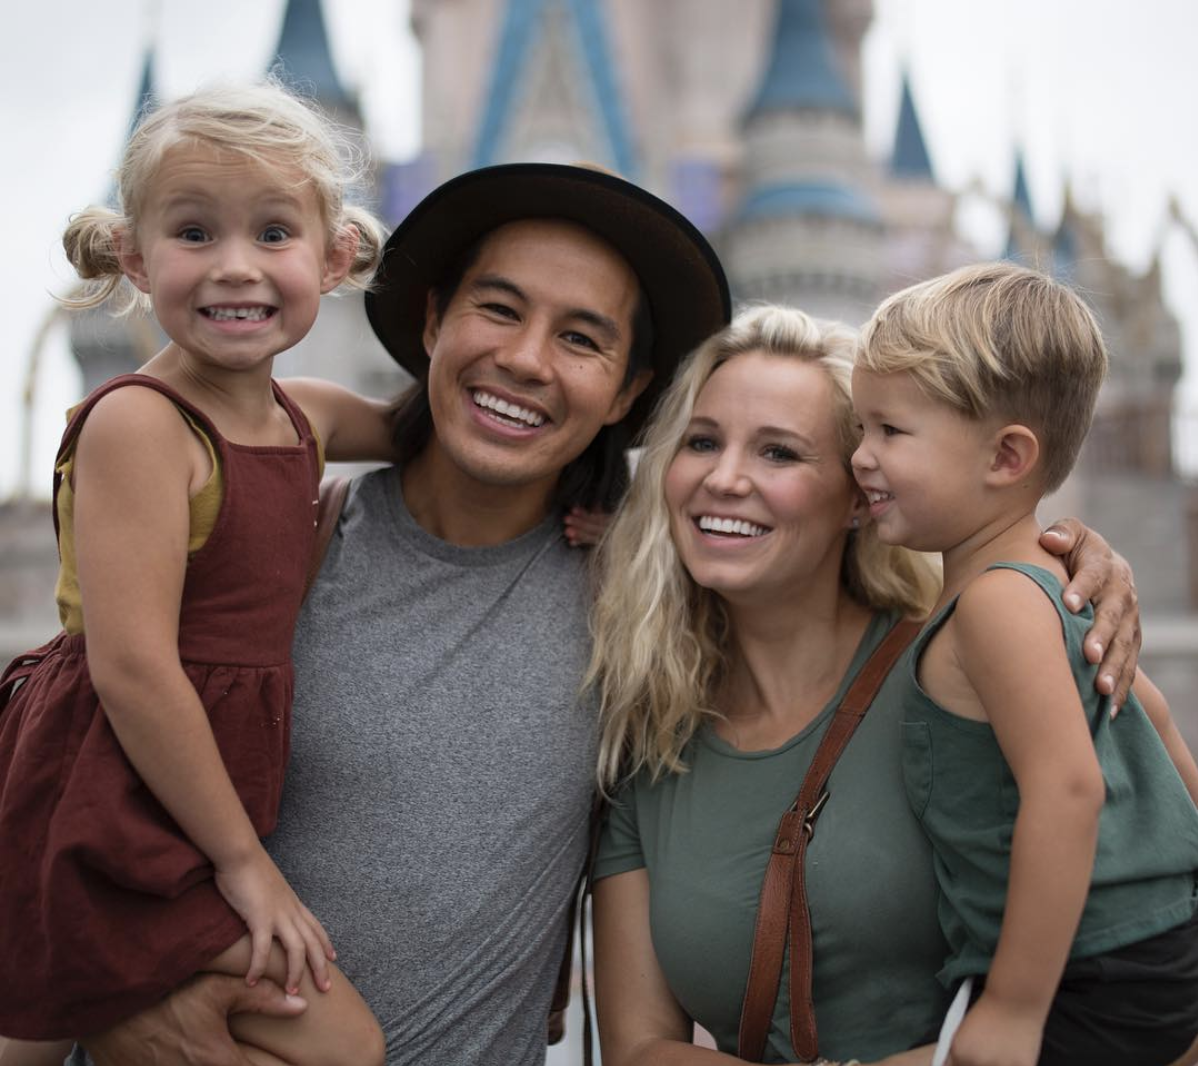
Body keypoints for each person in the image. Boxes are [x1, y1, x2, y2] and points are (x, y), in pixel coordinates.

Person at [76, 171, 1136, 1066]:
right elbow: (76, 757)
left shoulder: (645, 599)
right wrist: (106, 1007)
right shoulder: (280, 548)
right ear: (433, 320)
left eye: (580, 338)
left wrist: (1046, 562)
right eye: (499, 310)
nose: (527, 360)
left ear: (628, 391)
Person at [586, 304, 1149, 1066]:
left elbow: (1144, 961)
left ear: (862, 492)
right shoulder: (649, 738)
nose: (724, 479)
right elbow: (638, 1050)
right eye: (702, 441)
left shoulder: (968, 662)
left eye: (779, 452)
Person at [0, 83, 397, 1066]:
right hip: (107, 785)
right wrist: (244, 866)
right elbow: (134, 670)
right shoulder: (142, 426)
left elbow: (449, 440)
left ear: (334, 257)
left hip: (190, 788)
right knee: (341, 1046)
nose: (235, 266)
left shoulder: (306, 415)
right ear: (135, 259)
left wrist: (599, 493)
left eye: (273, 232)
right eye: (193, 233)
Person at [850, 262, 1198, 1066]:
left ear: (1006, 457)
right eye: (859, 429)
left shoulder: (996, 603)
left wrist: (1012, 1007)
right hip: (1146, 951)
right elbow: (1147, 711)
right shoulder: (1048, 582)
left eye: (889, 432)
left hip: (1087, 973)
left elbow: (1068, 788)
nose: (860, 456)